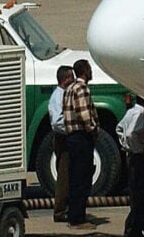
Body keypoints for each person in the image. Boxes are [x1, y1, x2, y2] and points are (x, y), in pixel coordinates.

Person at [63, 58, 101, 229]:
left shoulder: (69, 89)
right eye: (90, 69)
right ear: (85, 71)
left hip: (71, 137)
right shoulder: (82, 89)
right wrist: (93, 131)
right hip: (81, 138)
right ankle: (78, 218)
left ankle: (73, 214)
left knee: (74, 178)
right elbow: (84, 114)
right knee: (82, 179)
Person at [118, 95, 144, 237]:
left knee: (136, 194)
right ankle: (134, 228)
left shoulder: (131, 112)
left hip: (134, 157)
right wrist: (140, 151)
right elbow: (130, 133)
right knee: (141, 195)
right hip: (140, 160)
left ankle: (135, 227)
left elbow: (120, 129)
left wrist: (126, 145)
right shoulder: (140, 113)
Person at [48, 65, 74, 223]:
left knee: (70, 175)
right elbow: (57, 122)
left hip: (67, 137)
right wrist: (73, 126)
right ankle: (60, 211)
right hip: (63, 139)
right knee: (64, 176)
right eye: (71, 77)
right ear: (65, 79)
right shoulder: (58, 97)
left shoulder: (66, 94)